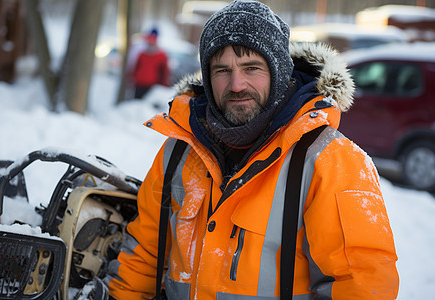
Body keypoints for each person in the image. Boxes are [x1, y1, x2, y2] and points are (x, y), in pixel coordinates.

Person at [105, 1, 399, 299]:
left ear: (279, 71)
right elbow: (143, 258)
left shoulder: (331, 161)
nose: (236, 84)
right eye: (222, 70)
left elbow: (361, 285)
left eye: (251, 68)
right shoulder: (178, 152)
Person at [131, 28, 170, 99]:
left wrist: (162, 86)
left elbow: (164, 73)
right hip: (139, 85)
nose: (151, 41)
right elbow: (137, 68)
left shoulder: (162, 56)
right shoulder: (142, 54)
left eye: (153, 39)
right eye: (149, 39)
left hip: (152, 87)